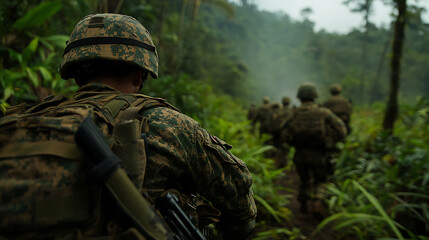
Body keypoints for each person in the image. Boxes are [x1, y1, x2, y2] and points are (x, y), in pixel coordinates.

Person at [0, 13, 256, 239]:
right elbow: (239, 198)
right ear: (140, 73)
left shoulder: (19, 121)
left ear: (76, 74)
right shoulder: (167, 124)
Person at [281, 83, 346, 214]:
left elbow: (283, 132)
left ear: (299, 96)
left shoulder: (294, 113)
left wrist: (291, 142)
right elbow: (342, 130)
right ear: (315, 96)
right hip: (319, 153)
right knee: (321, 180)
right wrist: (331, 142)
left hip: (300, 153)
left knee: (304, 180)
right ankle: (318, 201)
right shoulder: (323, 112)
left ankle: (303, 202)